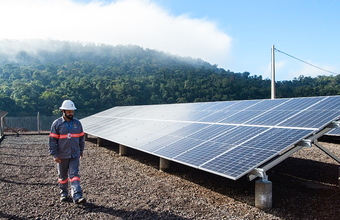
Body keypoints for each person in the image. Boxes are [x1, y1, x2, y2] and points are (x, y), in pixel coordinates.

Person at [49, 100, 86, 204]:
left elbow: (81, 139)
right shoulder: (57, 124)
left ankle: (77, 196)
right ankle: (64, 194)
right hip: (62, 155)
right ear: (63, 111)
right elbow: (52, 141)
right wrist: (54, 155)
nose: (71, 113)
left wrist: (81, 151)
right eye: (69, 111)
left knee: (74, 175)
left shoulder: (77, 124)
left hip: (74, 154)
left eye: (72, 111)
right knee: (63, 176)